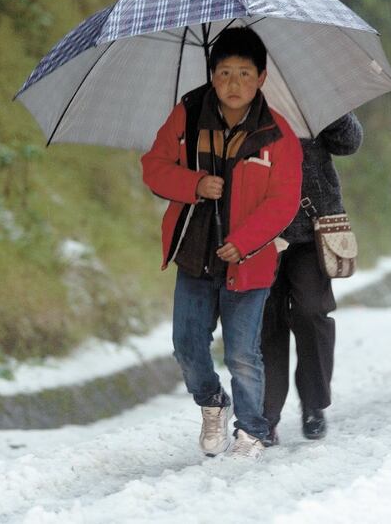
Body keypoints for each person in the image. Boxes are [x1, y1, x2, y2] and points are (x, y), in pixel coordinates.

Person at [141, 27, 302, 460]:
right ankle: (212, 402)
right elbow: (153, 167)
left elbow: (283, 201)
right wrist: (194, 183)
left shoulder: (277, 134)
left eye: (245, 74)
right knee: (188, 347)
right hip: (195, 253)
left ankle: (251, 430)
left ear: (262, 78)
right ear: (212, 75)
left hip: (248, 263)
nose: (234, 84)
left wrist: (245, 243)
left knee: (243, 355)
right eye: (225, 72)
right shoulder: (189, 114)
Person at [261, 112, 363, 444]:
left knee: (311, 312)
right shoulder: (242, 98)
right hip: (258, 230)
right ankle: (265, 415)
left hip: (312, 229)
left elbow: (349, 143)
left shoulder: (309, 97)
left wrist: (329, 112)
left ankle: (314, 404)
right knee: (265, 322)